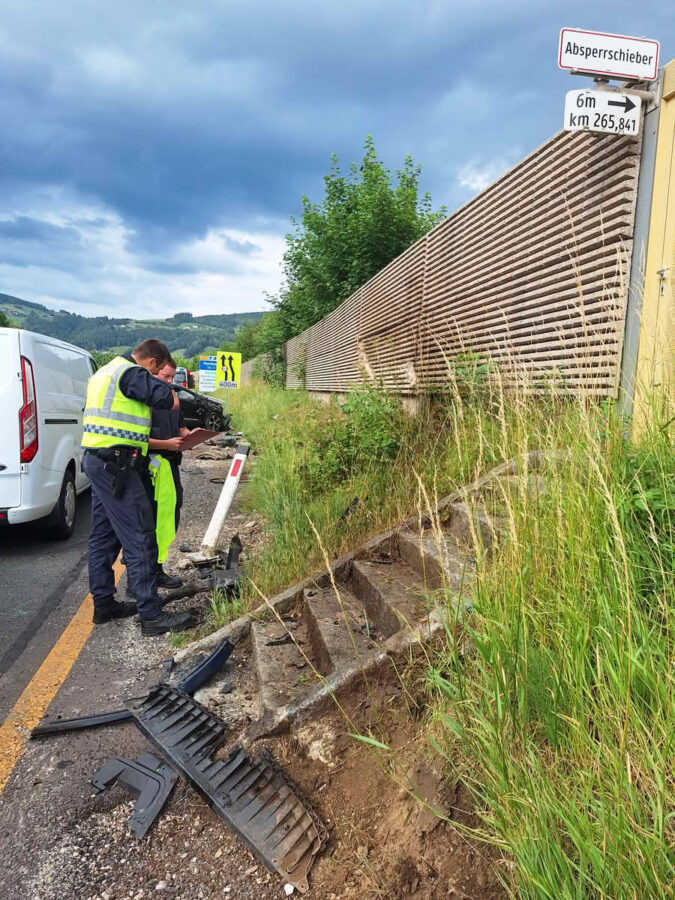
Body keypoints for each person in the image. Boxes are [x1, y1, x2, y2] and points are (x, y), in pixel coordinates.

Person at [82, 339, 196, 637]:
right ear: (153, 362)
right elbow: (169, 400)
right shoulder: (130, 373)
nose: (158, 375)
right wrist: (173, 392)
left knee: (103, 538)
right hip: (117, 465)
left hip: (98, 461)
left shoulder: (103, 373)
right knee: (140, 535)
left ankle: (104, 605)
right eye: (159, 371)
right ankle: (151, 615)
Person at [146, 360, 190, 587]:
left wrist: (191, 436)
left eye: (172, 377)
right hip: (152, 468)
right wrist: (166, 443)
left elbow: (181, 428)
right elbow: (138, 440)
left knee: (171, 513)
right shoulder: (145, 402)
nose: (170, 382)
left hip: (171, 465)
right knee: (151, 520)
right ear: (153, 373)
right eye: (165, 377)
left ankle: (158, 568)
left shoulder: (173, 399)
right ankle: (143, 575)